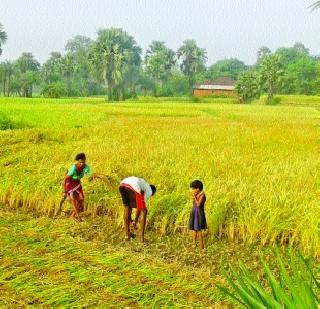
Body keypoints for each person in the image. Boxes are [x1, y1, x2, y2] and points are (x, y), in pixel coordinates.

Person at [119, 176, 156, 243]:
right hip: (133, 185)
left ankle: (127, 235)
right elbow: (140, 207)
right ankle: (142, 239)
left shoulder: (143, 185)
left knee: (127, 207)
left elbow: (138, 205)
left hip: (122, 184)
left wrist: (132, 221)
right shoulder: (149, 190)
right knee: (144, 211)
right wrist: (135, 221)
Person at [64, 153, 91, 222]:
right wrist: (65, 191)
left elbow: (88, 175)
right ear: (78, 162)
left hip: (77, 183)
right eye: (81, 162)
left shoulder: (86, 167)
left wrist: (91, 177)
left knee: (81, 199)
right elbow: (65, 178)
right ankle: (78, 216)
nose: (82, 164)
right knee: (73, 199)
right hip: (69, 183)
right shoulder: (73, 169)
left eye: (84, 162)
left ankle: (73, 214)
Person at [188, 180, 207, 251]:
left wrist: (194, 196)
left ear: (198, 188)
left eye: (193, 188)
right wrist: (194, 196)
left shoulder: (202, 194)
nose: (192, 190)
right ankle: (194, 243)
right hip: (194, 212)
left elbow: (198, 204)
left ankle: (202, 247)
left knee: (198, 230)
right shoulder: (196, 194)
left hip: (198, 213)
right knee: (194, 229)